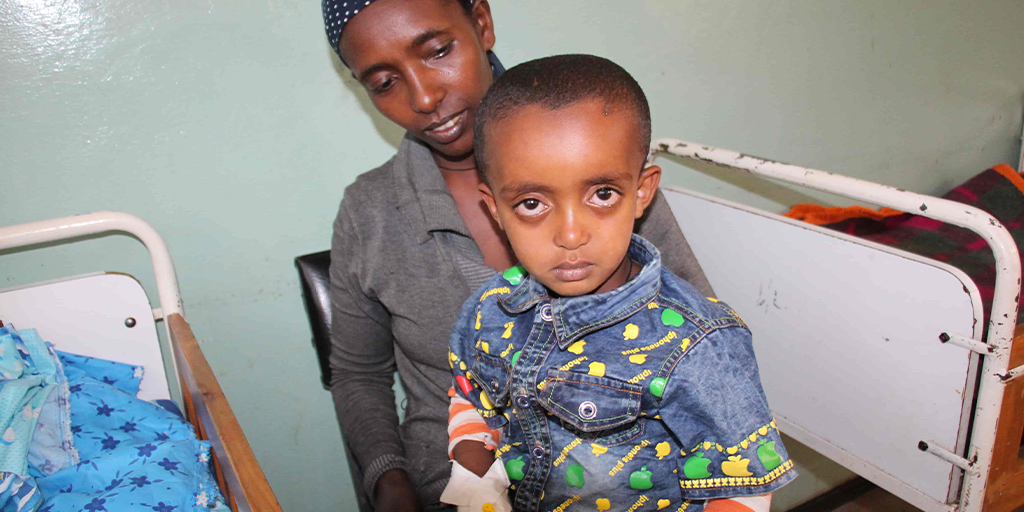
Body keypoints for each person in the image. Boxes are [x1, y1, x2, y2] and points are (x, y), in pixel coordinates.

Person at [322, 1, 715, 510]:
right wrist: (390, 483)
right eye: (383, 82)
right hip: (455, 480)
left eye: (438, 51)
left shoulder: (598, 164)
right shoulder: (369, 212)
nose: (424, 97)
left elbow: (701, 336)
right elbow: (359, 373)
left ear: (481, 23)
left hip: (630, 478)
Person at [442, 54, 795, 512]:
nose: (570, 235)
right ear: (495, 210)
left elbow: (741, 488)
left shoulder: (699, 344)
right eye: (532, 203)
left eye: (602, 194)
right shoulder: (489, 310)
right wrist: (475, 490)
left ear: (642, 192)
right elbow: (472, 399)